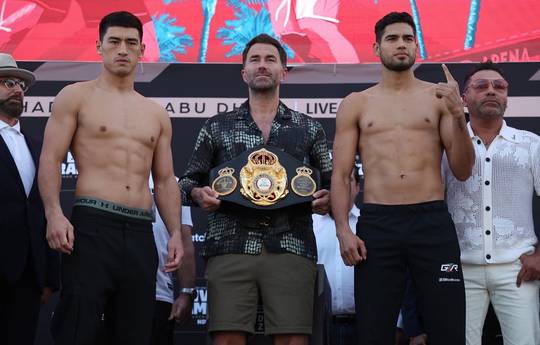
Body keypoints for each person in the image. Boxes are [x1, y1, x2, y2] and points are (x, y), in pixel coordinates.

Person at [38, 11, 183, 345]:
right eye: (114, 41)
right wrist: (53, 213)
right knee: (79, 324)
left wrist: (174, 232)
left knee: (133, 328)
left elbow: (164, 180)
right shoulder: (75, 96)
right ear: (99, 46)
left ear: (142, 50)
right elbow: (51, 158)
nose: (123, 49)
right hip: (92, 225)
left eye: (131, 42)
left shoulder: (156, 113)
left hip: (139, 230)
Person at [330, 11, 475, 345]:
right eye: (392, 38)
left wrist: (458, 116)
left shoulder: (439, 98)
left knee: (447, 326)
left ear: (416, 47)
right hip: (379, 224)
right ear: (376, 47)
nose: (401, 45)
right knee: (374, 329)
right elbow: (340, 174)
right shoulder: (355, 104)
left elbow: (463, 169)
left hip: (431, 221)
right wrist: (342, 230)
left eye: (408, 38)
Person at [179, 33, 332, 345]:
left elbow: (334, 184)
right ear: (244, 72)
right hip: (230, 247)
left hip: (292, 245)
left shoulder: (309, 128)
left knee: (293, 339)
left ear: (284, 72)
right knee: (227, 339)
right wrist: (198, 194)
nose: (263, 66)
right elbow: (186, 184)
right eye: (255, 60)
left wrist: (327, 198)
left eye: (271, 60)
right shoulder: (216, 126)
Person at [443, 60, 540, 345]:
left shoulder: (531, 144)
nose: (491, 91)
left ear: (507, 96)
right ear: (464, 97)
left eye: (499, 87)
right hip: (461, 270)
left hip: (518, 269)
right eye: (481, 86)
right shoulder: (446, 146)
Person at [0, 53, 60, 345]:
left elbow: (46, 211)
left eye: (21, 84)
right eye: (7, 82)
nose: (17, 89)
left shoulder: (38, 147)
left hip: (28, 275)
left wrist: (49, 275)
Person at [312, 168, 360, 345]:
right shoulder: (310, 225)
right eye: (334, 183)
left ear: (357, 188)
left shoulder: (367, 224)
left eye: (349, 181)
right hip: (318, 325)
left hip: (361, 325)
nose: (341, 187)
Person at [149, 177, 196, 345]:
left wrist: (187, 293)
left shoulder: (175, 184)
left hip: (159, 293)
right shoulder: (116, 175)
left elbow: (184, 240)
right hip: (118, 289)